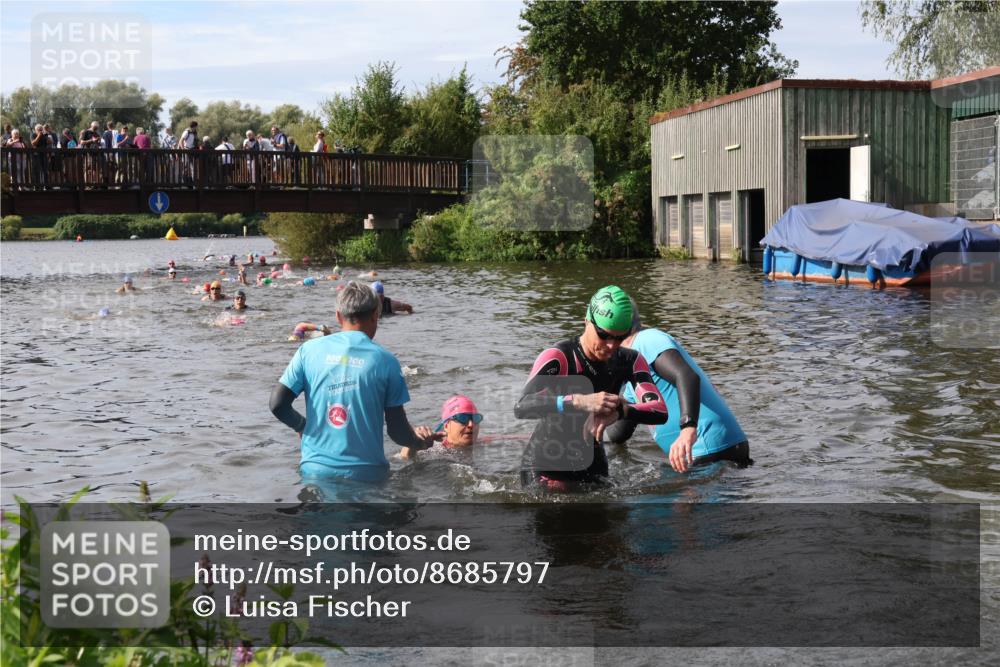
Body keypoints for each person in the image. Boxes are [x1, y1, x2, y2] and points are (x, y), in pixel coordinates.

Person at [269, 281, 441, 483]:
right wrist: (420, 443)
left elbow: (277, 404)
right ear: (376, 315)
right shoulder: (386, 361)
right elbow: (397, 431)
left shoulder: (308, 350)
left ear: (338, 316)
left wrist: (302, 427)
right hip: (366, 475)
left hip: (315, 471)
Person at [514, 286, 668, 491]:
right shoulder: (558, 357)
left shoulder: (630, 360)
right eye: (603, 335)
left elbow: (660, 410)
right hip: (545, 464)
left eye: (620, 338)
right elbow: (522, 406)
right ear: (587, 321)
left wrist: (621, 411)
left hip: (593, 461)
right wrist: (580, 401)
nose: (612, 346)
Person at [608, 299, 751, 472]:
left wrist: (688, 429)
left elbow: (686, 376)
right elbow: (620, 433)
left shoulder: (646, 339)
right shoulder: (634, 381)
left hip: (705, 448)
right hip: (717, 449)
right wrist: (592, 431)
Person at [400, 395, 482, 459]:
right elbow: (403, 458)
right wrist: (413, 441)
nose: (471, 424)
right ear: (446, 425)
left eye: (475, 418)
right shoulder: (435, 449)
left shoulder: (483, 444)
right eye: (462, 418)